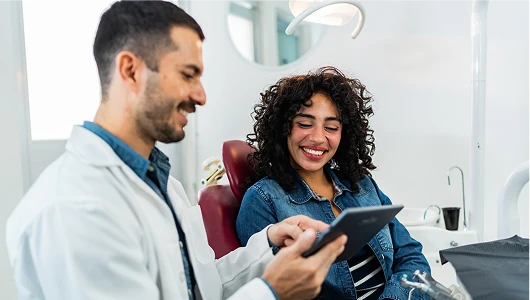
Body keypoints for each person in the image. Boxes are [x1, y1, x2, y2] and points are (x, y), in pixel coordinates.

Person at [5, 1, 348, 300]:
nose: (201, 96)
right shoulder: (75, 209)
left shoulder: (163, 183)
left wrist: (269, 245)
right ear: (131, 70)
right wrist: (272, 293)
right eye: (188, 75)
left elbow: (201, 285)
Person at [237, 66, 432, 300]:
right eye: (305, 124)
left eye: (331, 127)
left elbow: (411, 256)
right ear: (283, 128)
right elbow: (280, 289)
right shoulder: (263, 200)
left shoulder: (362, 185)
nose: (318, 138)